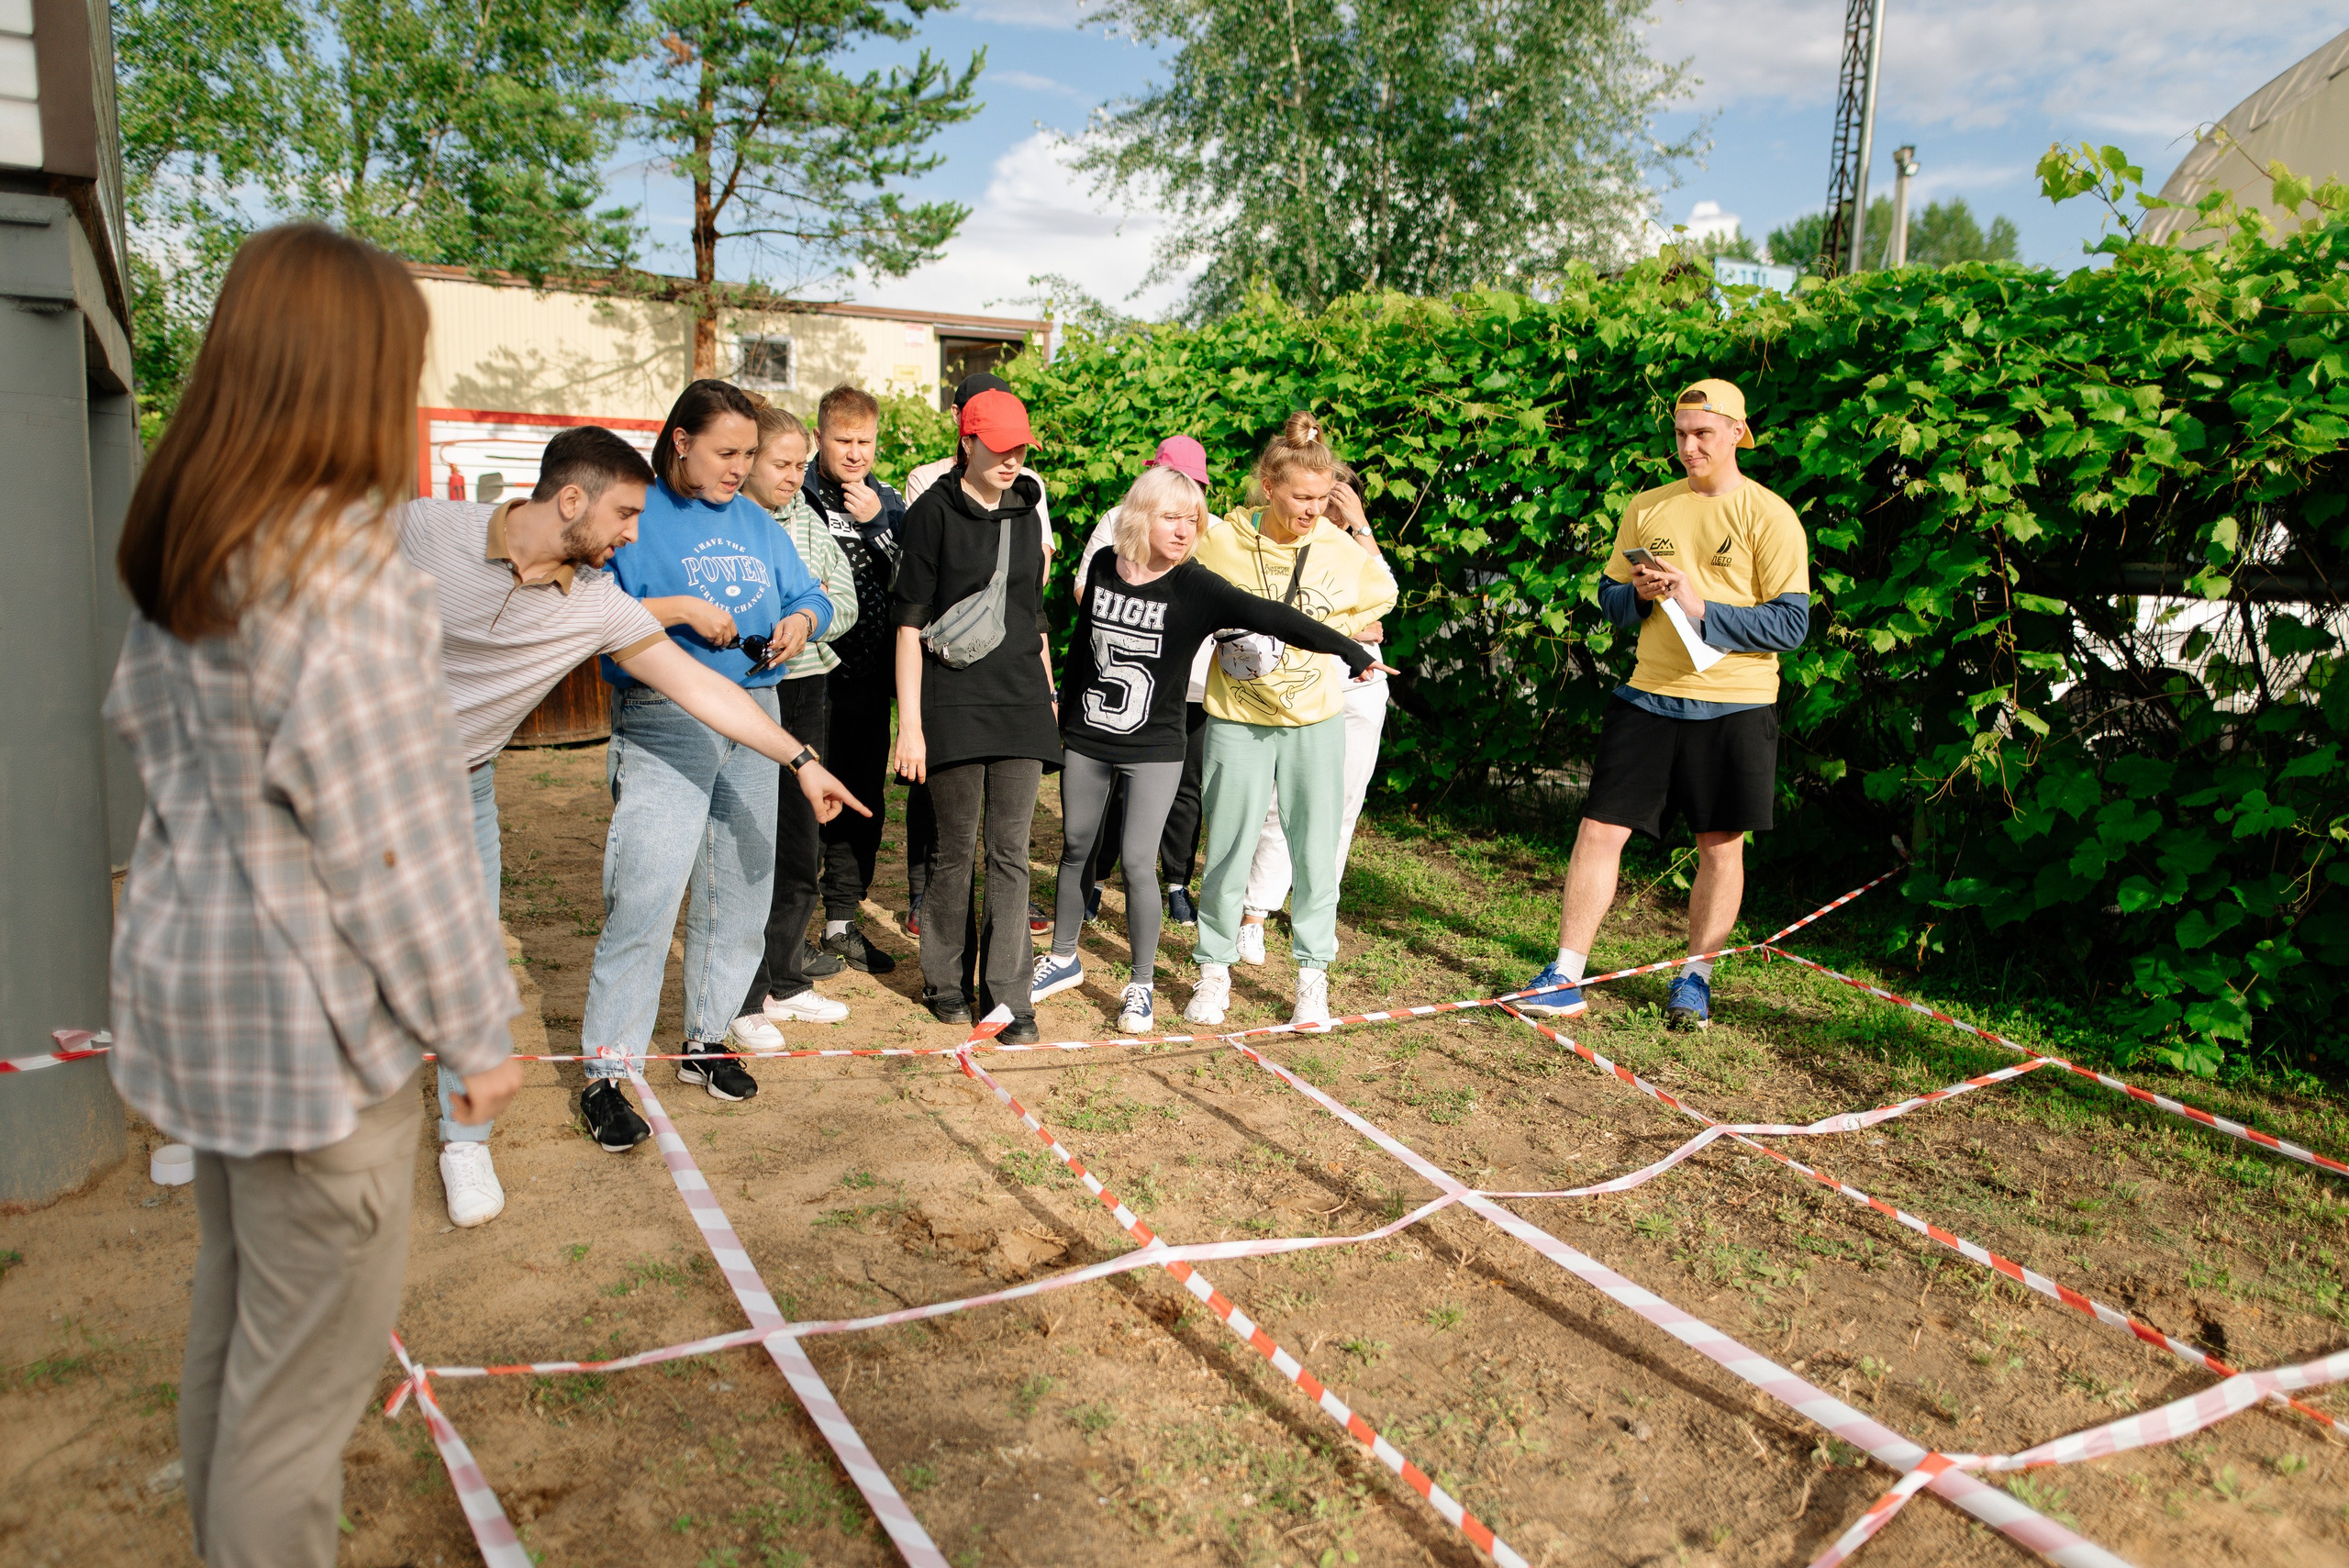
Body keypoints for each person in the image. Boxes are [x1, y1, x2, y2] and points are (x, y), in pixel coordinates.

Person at [104, 224, 523, 1567]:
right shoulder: (344, 583)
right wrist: (478, 1027)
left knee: (237, 1339)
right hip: (315, 1052)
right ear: (351, 381)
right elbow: (399, 851)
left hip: (208, 1024)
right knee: (298, 1404)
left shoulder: (194, 559)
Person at [576, 379, 863, 1151]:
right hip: (666, 716)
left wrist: (802, 618)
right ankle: (606, 1072)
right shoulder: (639, 512)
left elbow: (813, 593)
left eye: (748, 454)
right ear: (681, 442)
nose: (742, 467)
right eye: (727, 452)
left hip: (757, 714)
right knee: (647, 891)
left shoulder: (757, 522)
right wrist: (677, 610)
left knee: (741, 884)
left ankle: (705, 1039)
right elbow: (590, 602)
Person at [1035, 462, 1381, 1032]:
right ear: (1139, 517)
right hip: (1090, 737)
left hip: (1157, 744)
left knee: (1140, 862)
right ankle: (1064, 958)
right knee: (1076, 847)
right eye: (1170, 518)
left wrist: (1350, 650)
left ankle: (1141, 984)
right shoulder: (1102, 565)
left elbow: (1272, 615)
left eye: (1192, 520)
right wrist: (1062, 719)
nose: (1182, 530)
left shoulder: (1194, 583)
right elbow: (1083, 650)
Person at [1516, 377, 1810, 1029]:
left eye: (1702, 433)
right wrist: (1645, 594)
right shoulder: (1649, 505)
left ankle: (1694, 980)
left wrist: (1701, 605)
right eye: (1680, 433)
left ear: (1737, 432)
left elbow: (1792, 626)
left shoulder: (1770, 515)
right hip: (1649, 694)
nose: (1688, 446)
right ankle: (1565, 973)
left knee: (1719, 846)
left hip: (1736, 703)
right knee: (1598, 829)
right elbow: (1611, 603)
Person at [1186, 414, 1397, 1030]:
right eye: (1301, 497)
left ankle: (1312, 978)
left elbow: (1381, 593)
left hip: (1315, 722)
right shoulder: (1222, 539)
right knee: (1226, 849)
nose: (1311, 511)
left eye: (1321, 498)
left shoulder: (1337, 548)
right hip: (1237, 719)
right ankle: (1213, 970)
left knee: (1313, 851)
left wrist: (1350, 630)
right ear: (1267, 485)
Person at [892, 388, 1061, 1042]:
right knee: (954, 849)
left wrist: (1046, 694)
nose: (1011, 459)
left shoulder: (1027, 507)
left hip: (1020, 696)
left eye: (1020, 447)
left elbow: (1032, 615)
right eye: (999, 446)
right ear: (966, 442)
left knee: (1012, 850)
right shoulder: (932, 511)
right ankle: (945, 979)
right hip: (952, 697)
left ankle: (1011, 997)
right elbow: (909, 625)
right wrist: (911, 726)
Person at [729, 397, 860, 1051]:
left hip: (808, 687)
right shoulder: (731, 522)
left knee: (800, 839)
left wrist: (806, 619)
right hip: (747, 692)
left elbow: (844, 597)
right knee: (750, 843)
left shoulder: (807, 517)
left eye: (800, 464)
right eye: (783, 464)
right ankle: (743, 992)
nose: (794, 475)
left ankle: (784, 976)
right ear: (749, 462)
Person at [1233, 460, 1393, 963]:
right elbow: (1290, 613)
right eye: (1320, 497)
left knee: (1343, 806)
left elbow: (1382, 604)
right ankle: (1254, 913)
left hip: (1361, 692)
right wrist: (1350, 630)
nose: (1325, 508)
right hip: (1300, 687)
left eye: (1336, 499)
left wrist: (1361, 526)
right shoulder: (1293, 545)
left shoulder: (1352, 548)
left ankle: (1316, 909)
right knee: (1282, 804)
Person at [1073, 438, 1219, 933]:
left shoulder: (1212, 533)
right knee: (1111, 793)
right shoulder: (1119, 522)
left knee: (1184, 791)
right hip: (1121, 688)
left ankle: (1177, 881)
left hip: (1193, 685)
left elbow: (1235, 606)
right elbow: (1086, 589)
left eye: (1193, 487)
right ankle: (1094, 878)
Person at [803, 383, 917, 974]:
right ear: (819, 436)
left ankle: (843, 923)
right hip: (808, 679)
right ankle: (790, 932)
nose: (855, 453)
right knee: (801, 805)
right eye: (843, 441)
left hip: (871, 682)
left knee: (862, 802)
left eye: (865, 442)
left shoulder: (890, 501)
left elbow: (917, 586)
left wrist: (880, 526)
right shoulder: (796, 495)